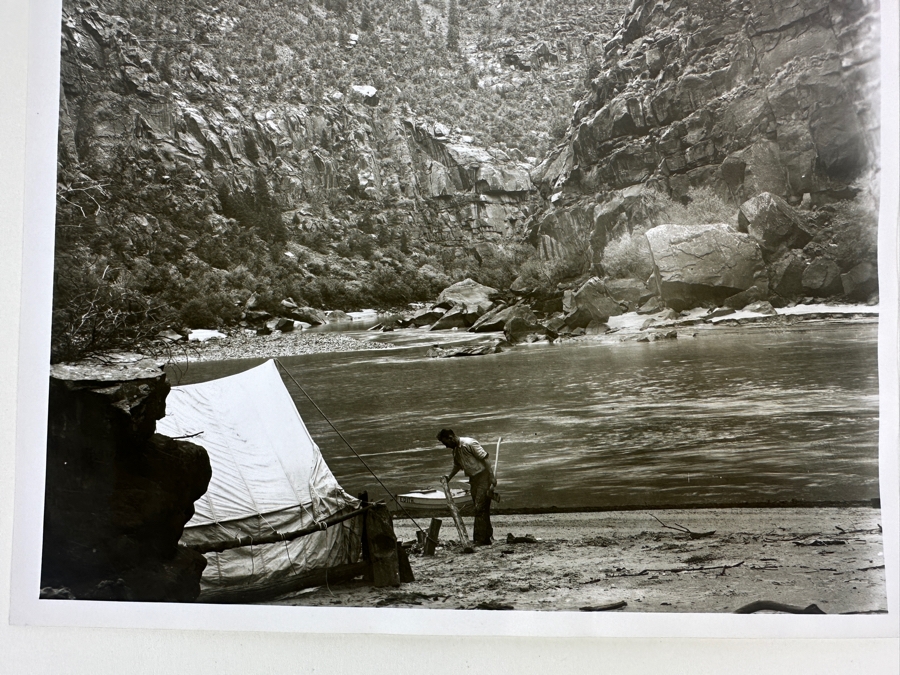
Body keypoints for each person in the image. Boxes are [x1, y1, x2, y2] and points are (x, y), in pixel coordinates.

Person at [437, 428, 496, 546]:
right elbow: (457, 466)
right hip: (473, 480)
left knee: (479, 508)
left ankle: (479, 540)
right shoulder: (455, 451)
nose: (446, 446)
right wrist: (449, 477)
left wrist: (492, 476)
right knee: (481, 508)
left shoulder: (469, 443)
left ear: (451, 438)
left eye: (445, 443)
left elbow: (486, 458)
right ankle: (487, 538)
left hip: (483, 477)